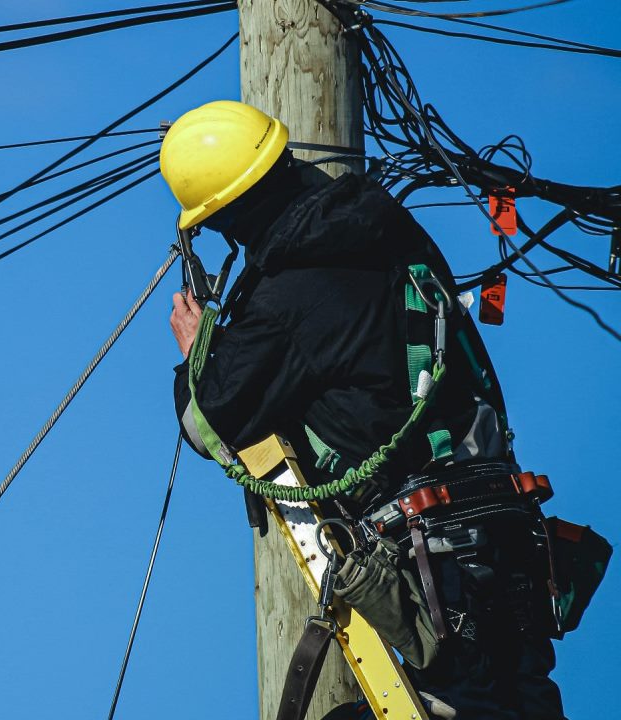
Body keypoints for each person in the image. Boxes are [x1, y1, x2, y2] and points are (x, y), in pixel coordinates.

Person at [160, 100, 567, 719]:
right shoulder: (390, 230)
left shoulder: (286, 295)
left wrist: (197, 355)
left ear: (223, 218)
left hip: (436, 554)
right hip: (507, 527)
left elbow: (211, 421)